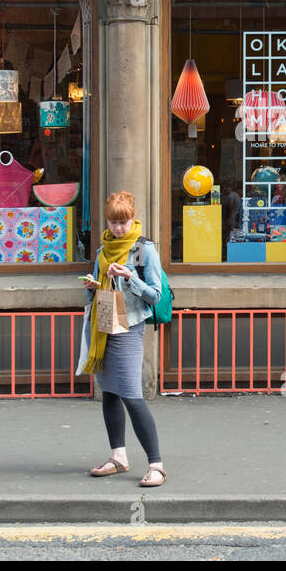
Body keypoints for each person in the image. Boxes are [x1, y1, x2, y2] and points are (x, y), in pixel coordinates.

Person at [81, 190, 168, 487]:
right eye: (113, 222)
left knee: (132, 395)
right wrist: (91, 287)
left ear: (133, 218)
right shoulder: (103, 251)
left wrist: (131, 278)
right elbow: (93, 287)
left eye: (124, 222)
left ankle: (156, 465)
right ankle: (118, 456)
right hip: (105, 321)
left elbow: (155, 295)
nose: (118, 228)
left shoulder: (145, 250)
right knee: (110, 393)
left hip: (130, 327)